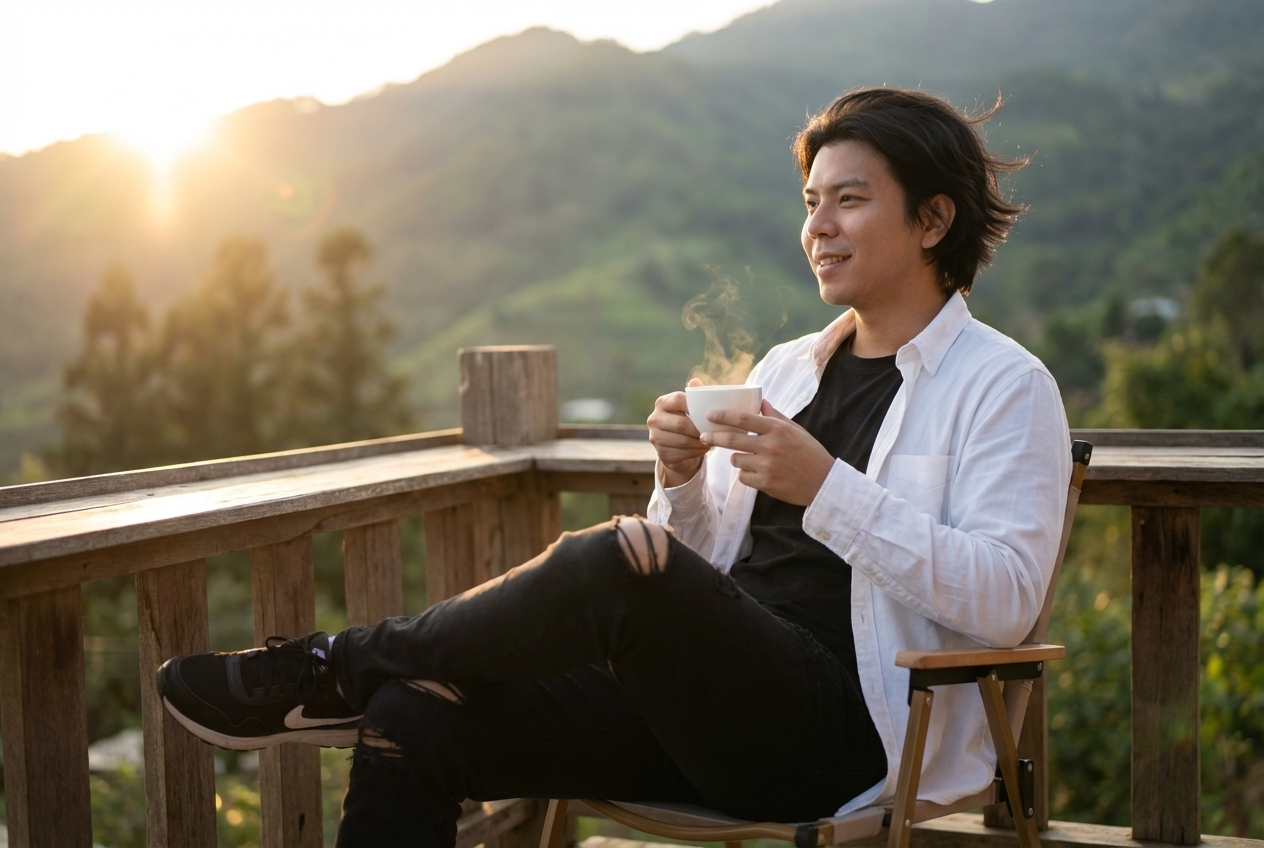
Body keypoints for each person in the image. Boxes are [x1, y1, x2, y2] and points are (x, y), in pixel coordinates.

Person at [158, 87, 1071, 846]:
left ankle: (332, 666)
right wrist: (679, 482)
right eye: (810, 202)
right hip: (700, 711)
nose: (818, 227)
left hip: (848, 736)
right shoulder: (788, 369)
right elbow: (695, 569)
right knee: (413, 713)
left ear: (933, 218)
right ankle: (365, 678)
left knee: (615, 555)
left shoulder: (1004, 389)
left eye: (850, 199)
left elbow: (1006, 597)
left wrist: (826, 486)